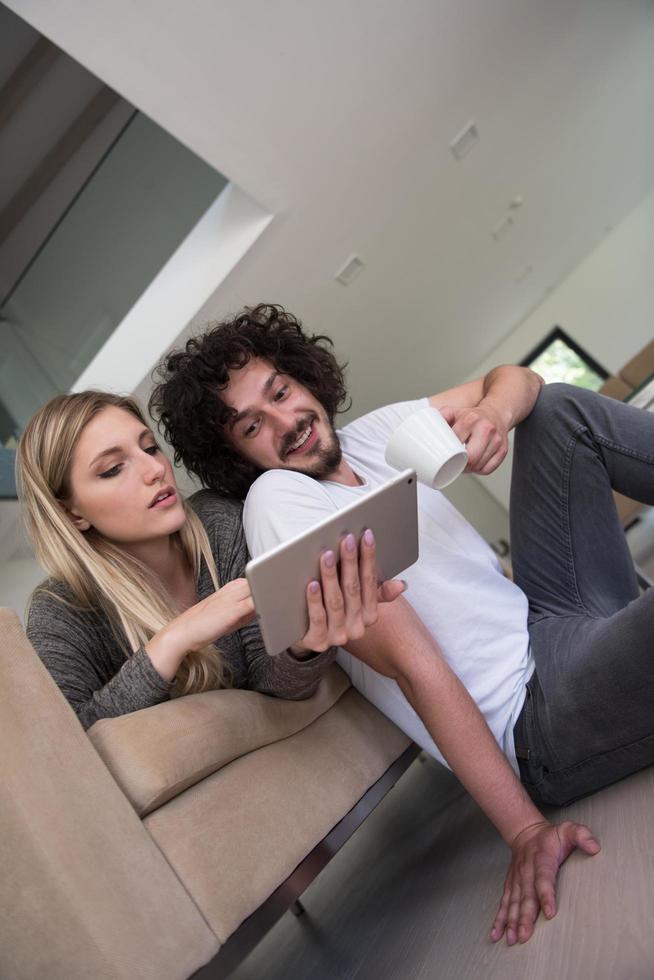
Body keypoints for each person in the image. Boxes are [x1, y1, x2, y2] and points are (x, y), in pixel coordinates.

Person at [149, 306, 654, 948]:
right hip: (537, 719)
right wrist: (526, 830)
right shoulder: (281, 502)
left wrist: (494, 414)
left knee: (557, 411)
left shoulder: (373, 434)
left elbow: (514, 379)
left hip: (549, 622)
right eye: (254, 425)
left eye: (281, 392)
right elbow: (416, 667)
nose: (287, 421)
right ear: (238, 457)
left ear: (305, 379)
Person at [17, 390, 402, 733]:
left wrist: (303, 645)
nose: (155, 470)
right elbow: (69, 751)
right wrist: (173, 642)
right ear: (71, 515)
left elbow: (279, 686)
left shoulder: (219, 521)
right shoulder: (61, 611)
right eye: (113, 469)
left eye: (149, 448)